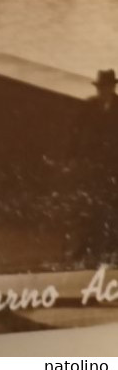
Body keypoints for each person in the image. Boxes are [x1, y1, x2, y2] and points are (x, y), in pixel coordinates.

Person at [71, 68, 118, 265]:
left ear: (112, 88)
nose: (103, 91)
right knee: (94, 208)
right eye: (100, 88)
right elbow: (76, 134)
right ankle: (90, 251)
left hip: (116, 166)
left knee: (114, 208)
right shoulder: (89, 106)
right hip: (96, 166)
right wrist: (74, 157)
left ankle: (112, 250)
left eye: (106, 88)